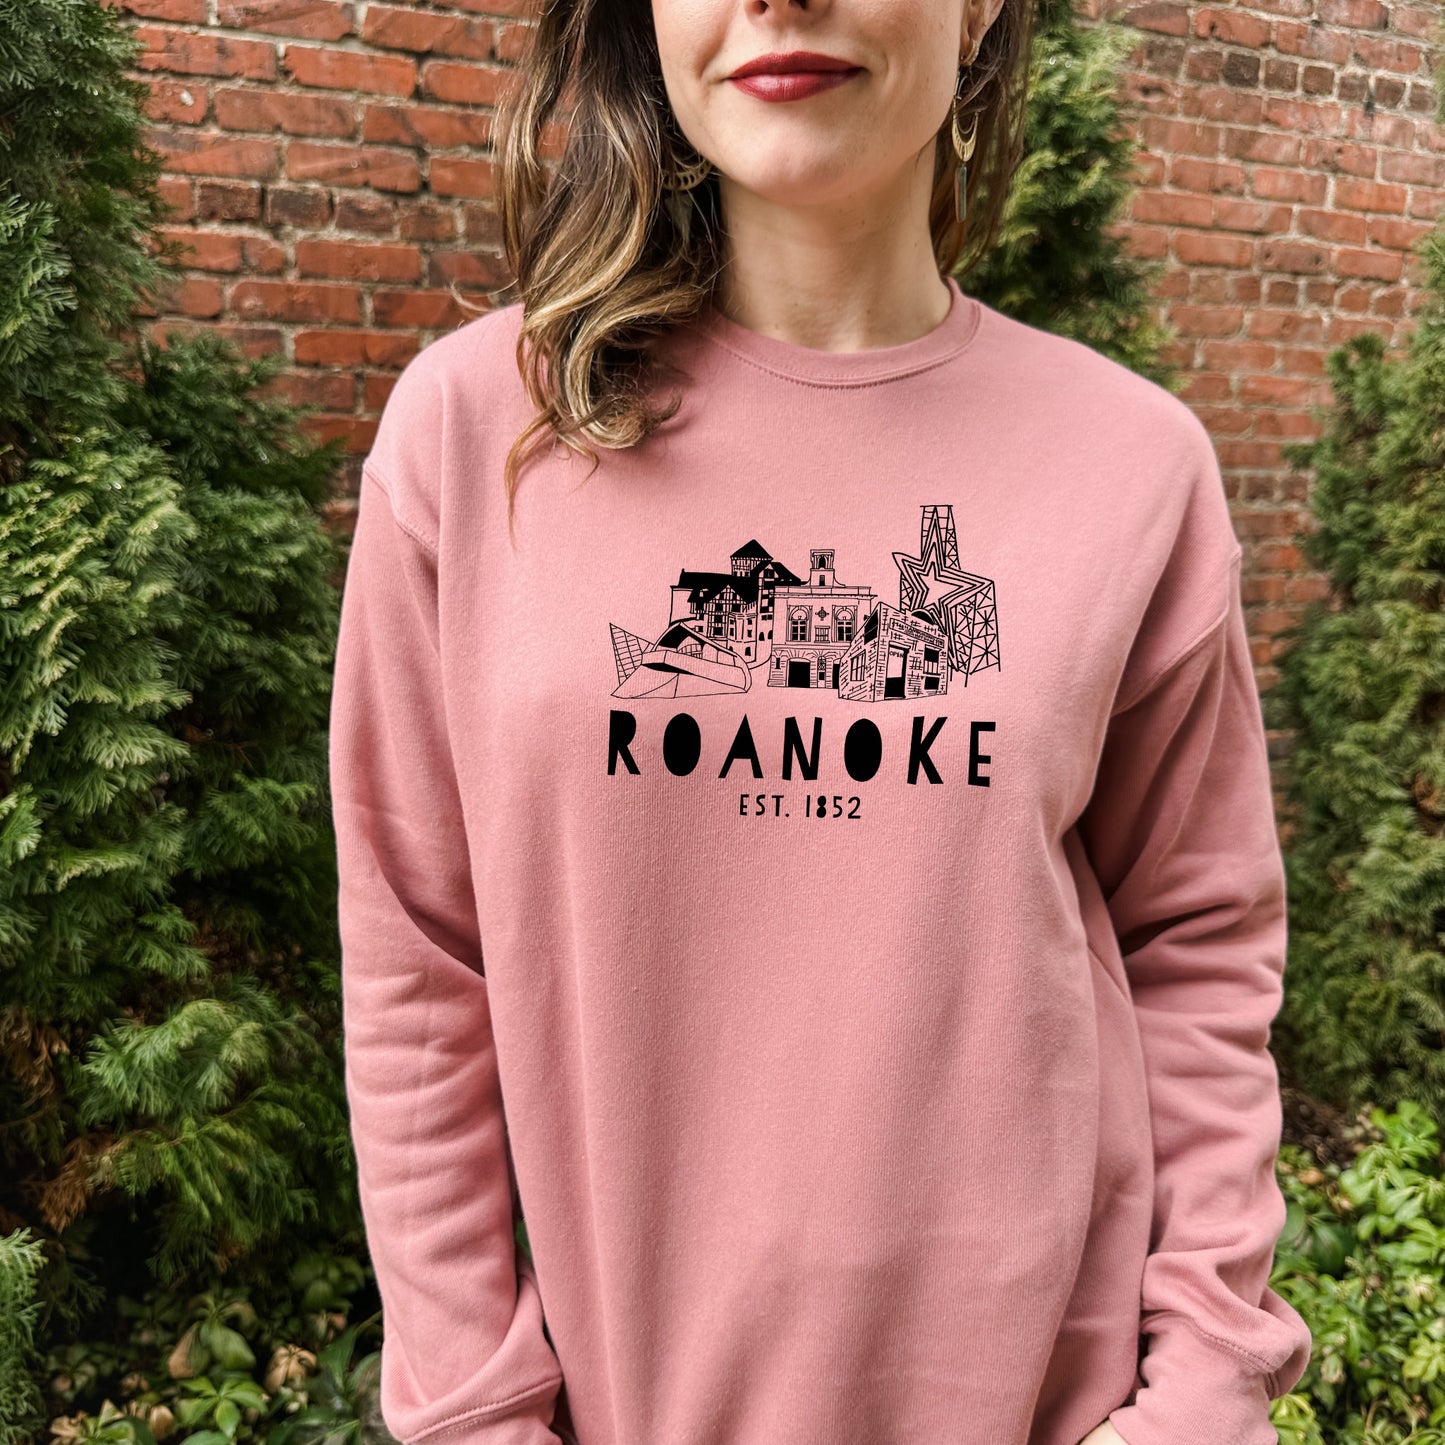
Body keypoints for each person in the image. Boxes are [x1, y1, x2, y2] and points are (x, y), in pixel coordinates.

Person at [327, 0, 1315, 1441]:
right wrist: (476, 1413)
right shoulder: (485, 432)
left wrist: (1202, 1387)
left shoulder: (1131, 466)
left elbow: (1201, 946)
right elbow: (416, 960)